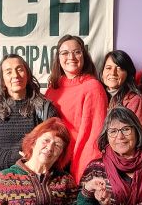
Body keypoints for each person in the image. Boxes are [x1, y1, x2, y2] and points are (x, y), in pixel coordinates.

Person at [45, 34, 108, 182]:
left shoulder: (93, 87)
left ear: (83, 56)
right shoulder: (53, 88)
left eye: (77, 52)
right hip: (51, 161)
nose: (71, 57)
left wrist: (81, 174)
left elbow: (93, 136)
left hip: (75, 165)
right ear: (58, 58)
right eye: (65, 53)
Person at [0, 53, 56, 172]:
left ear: (28, 74)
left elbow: (53, 144)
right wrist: (16, 158)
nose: (15, 75)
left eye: (20, 69)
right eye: (8, 72)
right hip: (0, 180)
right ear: (2, 80)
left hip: (34, 179)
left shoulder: (44, 108)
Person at [100, 50, 142, 126]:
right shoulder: (97, 95)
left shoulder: (135, 101)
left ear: (128, 74)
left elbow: (137, 134)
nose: (113, 73)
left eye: (119, 68)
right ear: (102, 73)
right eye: (108, 68)